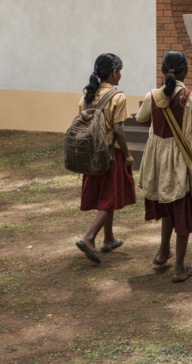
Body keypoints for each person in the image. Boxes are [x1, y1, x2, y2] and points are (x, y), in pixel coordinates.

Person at [135, 50, 192, 283]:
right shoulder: (191, 97)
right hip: (180, 161)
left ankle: (162, 252)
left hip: (157, 162)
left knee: (168, 204)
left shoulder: (152, 95)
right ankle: (179, 268)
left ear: (163, 70)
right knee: (182, 211)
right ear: (185, 70)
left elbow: (141, 119)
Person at [74, 53, 136, 264]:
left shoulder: (86, 97)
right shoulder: (118, 97)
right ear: (114, 73)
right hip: (111, 154)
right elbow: (118, 130)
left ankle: (109, 239)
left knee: (106, 194)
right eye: (120, 71)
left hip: (91, 154)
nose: (121, 75)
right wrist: (127, 154)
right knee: (110, 197)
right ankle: (89, 237)